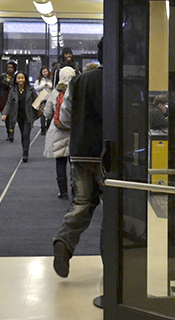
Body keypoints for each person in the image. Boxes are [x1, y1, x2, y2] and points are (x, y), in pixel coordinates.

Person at [53, 38, 103, 278]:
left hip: (80, 151)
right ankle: (112, 261)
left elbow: (65, 116)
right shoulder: (118, 81)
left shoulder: (78, 81)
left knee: (82, 203)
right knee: (115, 209)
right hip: (108, 154)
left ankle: (63, 242)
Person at [43, 66, 76, 199]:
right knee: (73, 163)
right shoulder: (76, 91)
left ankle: (62, 191)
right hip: (74, 132)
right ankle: (75, 188)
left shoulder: (55, 92)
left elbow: (48, 113)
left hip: (58, 131)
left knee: (60, 162)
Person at [2, 71, 38, 162]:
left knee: (26, 133)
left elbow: (37, 100)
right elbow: (9, 103)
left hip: (28, 115)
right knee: (23, 134)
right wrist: (5, 114)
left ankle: (25, 153)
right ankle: (24, 149)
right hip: (18, 115)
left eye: (22, 78)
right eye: (19, 78)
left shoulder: (30, 89)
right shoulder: (13, 90)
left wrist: (40, 105)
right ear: (16, 80)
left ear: (25, 79)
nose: (20, 80)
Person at [0, 60, 17, 142]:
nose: (10, 69)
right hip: (4, 98)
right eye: (8, 67)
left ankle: (12, 133)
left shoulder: (16, 77)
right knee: (6, 117)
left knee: (12, 117)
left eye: (12, 67)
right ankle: (8, 132)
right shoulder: (2, 77)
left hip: (13, 99)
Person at [34, 66, 53, 134]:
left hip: (49, 97)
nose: (45, 73)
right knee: (42, 114)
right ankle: (42, 128)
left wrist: (49, 86)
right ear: (41, 72)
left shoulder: (51, 79)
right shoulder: (38, 80)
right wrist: (42, 86)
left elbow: (54, 87)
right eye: (43, 72)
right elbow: (35, 88)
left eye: (46, 71)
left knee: (50, 113)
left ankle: (48, 125)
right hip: (41, 97)